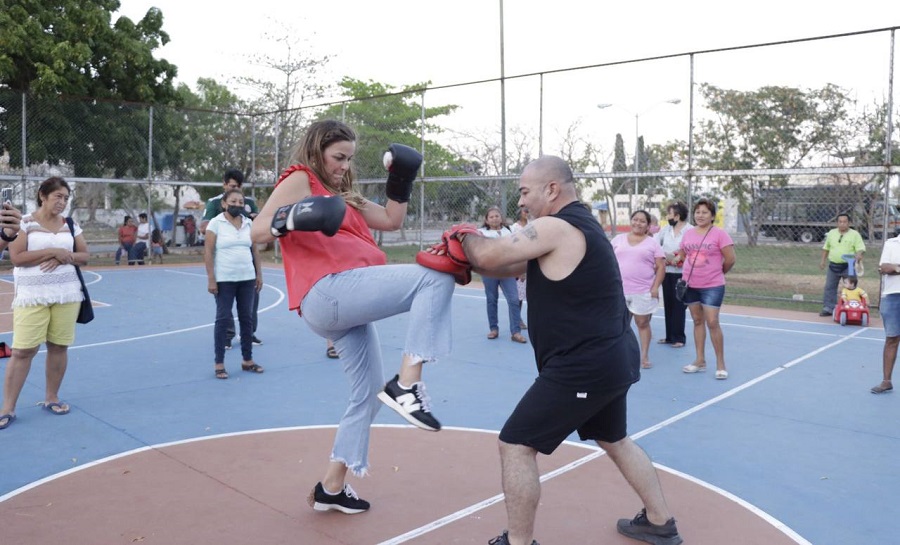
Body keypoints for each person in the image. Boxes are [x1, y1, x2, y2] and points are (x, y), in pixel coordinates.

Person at [457, 156, 681, 545]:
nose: (521, 201)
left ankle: (518, 541)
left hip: (584, 365)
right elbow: (505, 266)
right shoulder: (582, 225)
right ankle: (660, 521)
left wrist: (461, 236)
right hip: (611, 356)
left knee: (516, 444)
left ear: (552, 190)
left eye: (525, 191)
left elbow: (489, 255)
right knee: (615, 439)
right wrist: (470, 260)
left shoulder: (555, 225)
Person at [250, 120, 455, 514]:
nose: (344, 165)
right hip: (326, 290)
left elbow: (392, 220)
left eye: (349, 159)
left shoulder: (346, 197)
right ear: (317, 151)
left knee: (367, 395)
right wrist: (294, 216)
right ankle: (407, 385)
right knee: (435, 276)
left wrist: (401, 179)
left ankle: (332, 486)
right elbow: (257, 232)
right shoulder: (301, 178)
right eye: (338, 157)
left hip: (344, 302)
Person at [0, 177, 89, 431]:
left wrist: (67, 256)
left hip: (66, 295)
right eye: (57, 196)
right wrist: (53, 252)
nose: (62, 202)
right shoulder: (25, 223)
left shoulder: (70, 224)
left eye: (65, 198)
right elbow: (17, 258)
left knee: (59, 347)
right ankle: (7, 408)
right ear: (43, 195)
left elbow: (84, 255)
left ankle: (52, 397)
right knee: (22, 351)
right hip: (33, 296)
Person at [204, 189, 264, 379]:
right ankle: (219, 363)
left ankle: (247, 360)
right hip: (225, 280)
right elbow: (208, 252)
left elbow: (255, 251)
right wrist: (211, 278)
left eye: (240, 202)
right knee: (222, 320)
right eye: (233, 201)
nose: (237, 205)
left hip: (247, 278)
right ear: (224, 203)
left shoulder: (248, 223)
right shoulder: (216, 223)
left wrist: (258, 274)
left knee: (246, 319)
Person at [678, 198, 736, 380]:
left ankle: (720, 364)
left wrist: (719, 273)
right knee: (697, 320)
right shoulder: (688, 234)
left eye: (704, 212)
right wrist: (676, 257)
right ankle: (700, 361)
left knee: (712, 322)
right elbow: (683, 253)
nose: (700, 215)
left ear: (712, 216)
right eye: (697, 212)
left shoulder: (720, 234)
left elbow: (730, 259)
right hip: (690, 283)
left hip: (712, 285)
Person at [611, 210, 666, 369]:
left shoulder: (652, 243)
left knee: (642, 323)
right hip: (619, 290)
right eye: (635, 219)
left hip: (643, 290)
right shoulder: (618, 240)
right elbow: (608, 261)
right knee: (620, 325)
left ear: (648, 226)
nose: (638, 223)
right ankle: (621, 355)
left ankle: (644, 356)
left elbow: (661, 267)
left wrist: (655, 287)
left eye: (642, 221)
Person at [479, 206, 527, 343]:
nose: (495, 218)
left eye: (497, 216)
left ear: (501, 218)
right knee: (491, 299)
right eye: (491, 217)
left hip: (507, 271)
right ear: (487, 220)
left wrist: (521, 269)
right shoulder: (480, 233)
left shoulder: (509, 231)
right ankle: (493, 329)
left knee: (513, 299)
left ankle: (516, 332)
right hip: (489, 271)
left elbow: (518, 250)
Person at [655, 202, 692, 348]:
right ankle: (669, 336)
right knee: (669, 303)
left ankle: (679, 338)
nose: (667, 216)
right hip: (668, 271)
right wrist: (666, 257)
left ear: (677, 215)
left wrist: (680, 257)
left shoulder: (690, 230)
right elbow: (656, 245)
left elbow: (692, 250)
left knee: (679, 304)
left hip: (682, 273)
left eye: (670, 214)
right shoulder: (666, 230)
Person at [819, 213, 865, 317]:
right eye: (840, 222)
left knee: (851, 287)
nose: (842, 224)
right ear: (837, 223)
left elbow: (860, 249)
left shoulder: (855, 234)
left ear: (849, 223)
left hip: (848, 265)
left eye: (845, 222)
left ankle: (852, 308)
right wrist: (823, 261)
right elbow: (826, 248)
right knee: (829, 287)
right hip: (833, 265)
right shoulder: (831, 233)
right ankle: (829, 308)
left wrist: (858, 255)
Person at [874, 236, 900, 394]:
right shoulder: (891, 243)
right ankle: (886, 381)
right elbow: (883, 268)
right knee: (892, 338)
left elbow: (891, 269)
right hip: (892, 296)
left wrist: (895, 268)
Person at [510, 208, 529, 330]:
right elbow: (514, 246)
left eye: (528, 210)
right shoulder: (514, 228)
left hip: (532, 261)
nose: (527, 212)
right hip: (520, 262)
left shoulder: (533, 225)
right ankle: (518, 320)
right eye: (524, 211)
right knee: (519, 295)